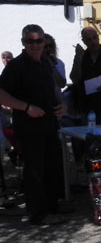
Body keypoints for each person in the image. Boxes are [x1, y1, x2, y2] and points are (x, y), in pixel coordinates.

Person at [0, 24, 67, 225]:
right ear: (23, 42)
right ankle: (37, 214)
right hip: (28, 126)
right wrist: (26, 107)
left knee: (52, 166)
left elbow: (54, 88)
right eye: (31, 41)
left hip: (49, 123)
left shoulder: (45, 62)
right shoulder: (16, 66)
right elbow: (1, 94)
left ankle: (52, 206)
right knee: (35, 170)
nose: (35, 45)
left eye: (39, 41)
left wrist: (61, 105)